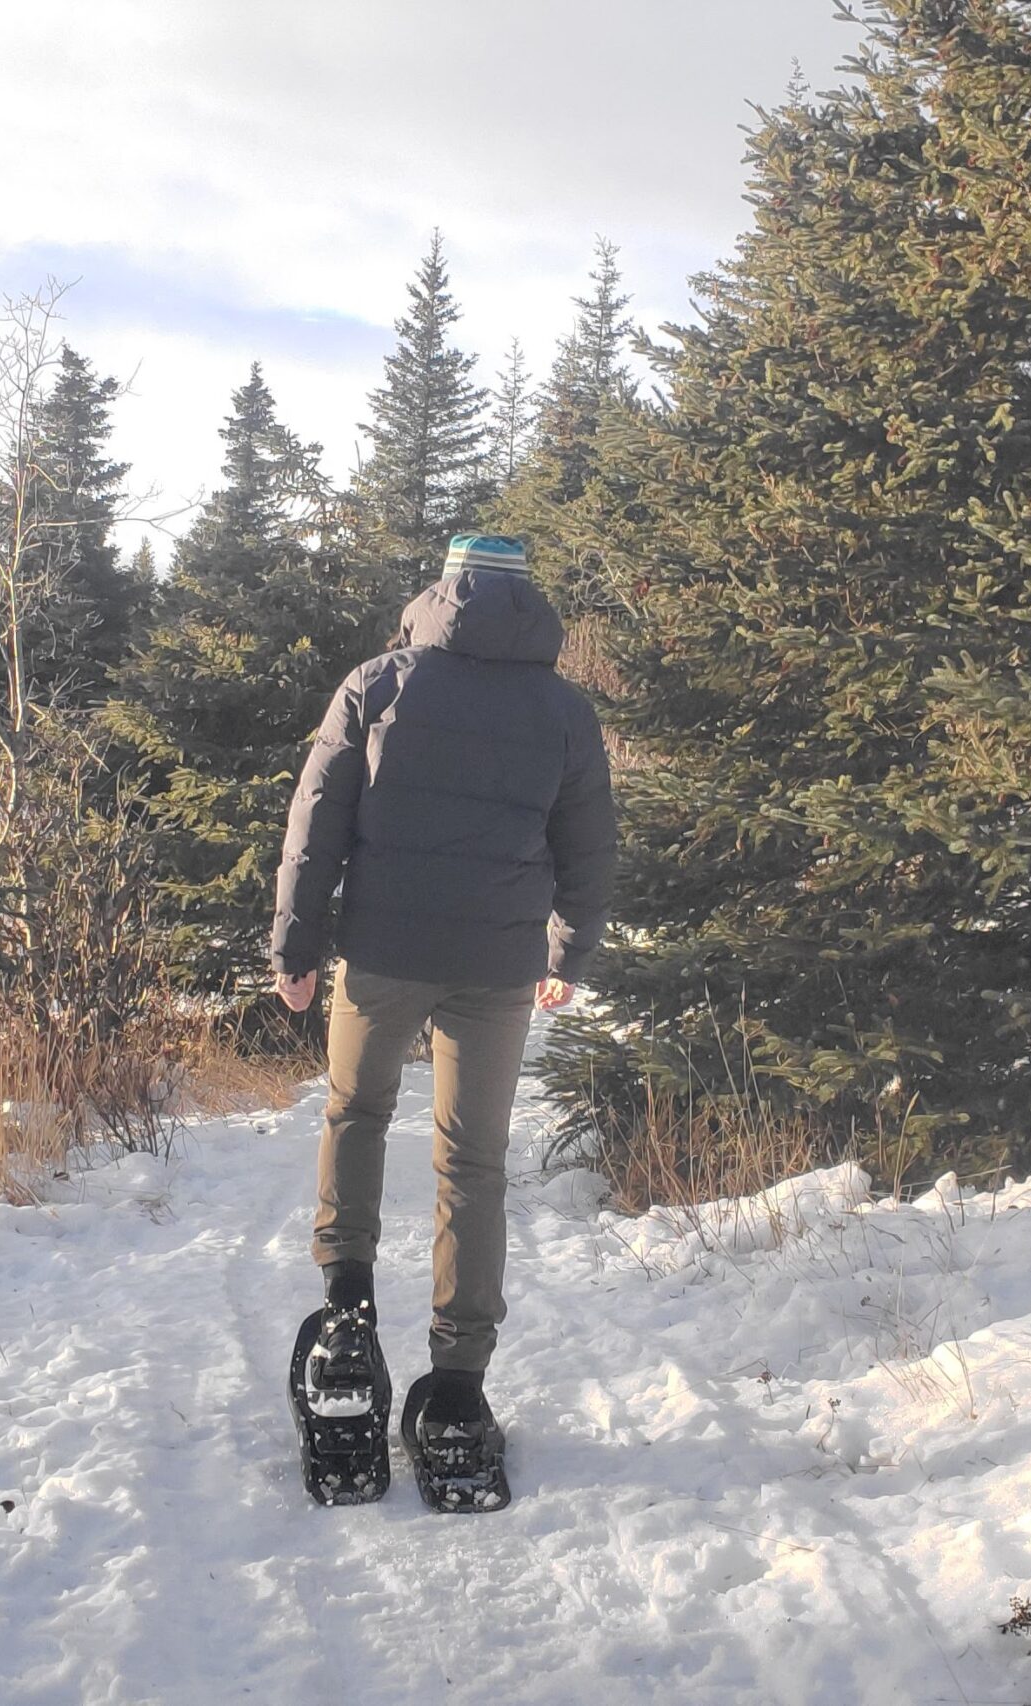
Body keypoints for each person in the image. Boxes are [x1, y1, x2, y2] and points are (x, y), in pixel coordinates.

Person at [271, 532, 616, 1503]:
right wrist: (568, 956)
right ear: (528, 602)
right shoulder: (563, 707)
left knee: (355, 1113)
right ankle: (458, 1386)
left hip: (378, 952)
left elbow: (316, 818)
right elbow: (590, 846)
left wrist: (295, 948)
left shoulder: (379, 681)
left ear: (441, 589)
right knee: (471, 1162)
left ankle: (346, 1317)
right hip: (495, 967)